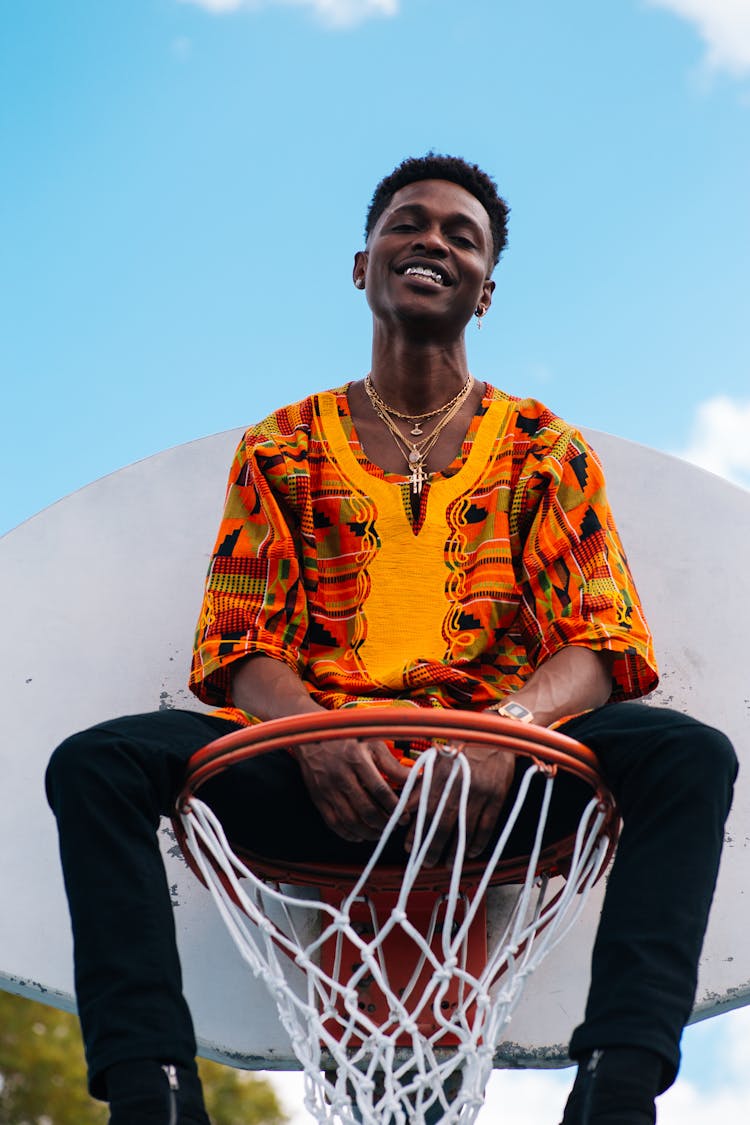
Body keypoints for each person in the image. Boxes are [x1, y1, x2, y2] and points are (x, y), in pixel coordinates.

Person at [46, 154, 737, 1125]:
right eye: (410, 223)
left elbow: (601, 638)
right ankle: (152, 1089)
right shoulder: (281, 445)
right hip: (316, 772)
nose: (432, 241)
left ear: (486, 290)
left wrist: (507, 731)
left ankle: (618, 1085)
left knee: (689, 756)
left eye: (462, 235)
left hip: (504, 784)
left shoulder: (546, 449)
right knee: (100, 763)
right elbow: (241, 640)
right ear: (362, 263)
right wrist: (320, 736)